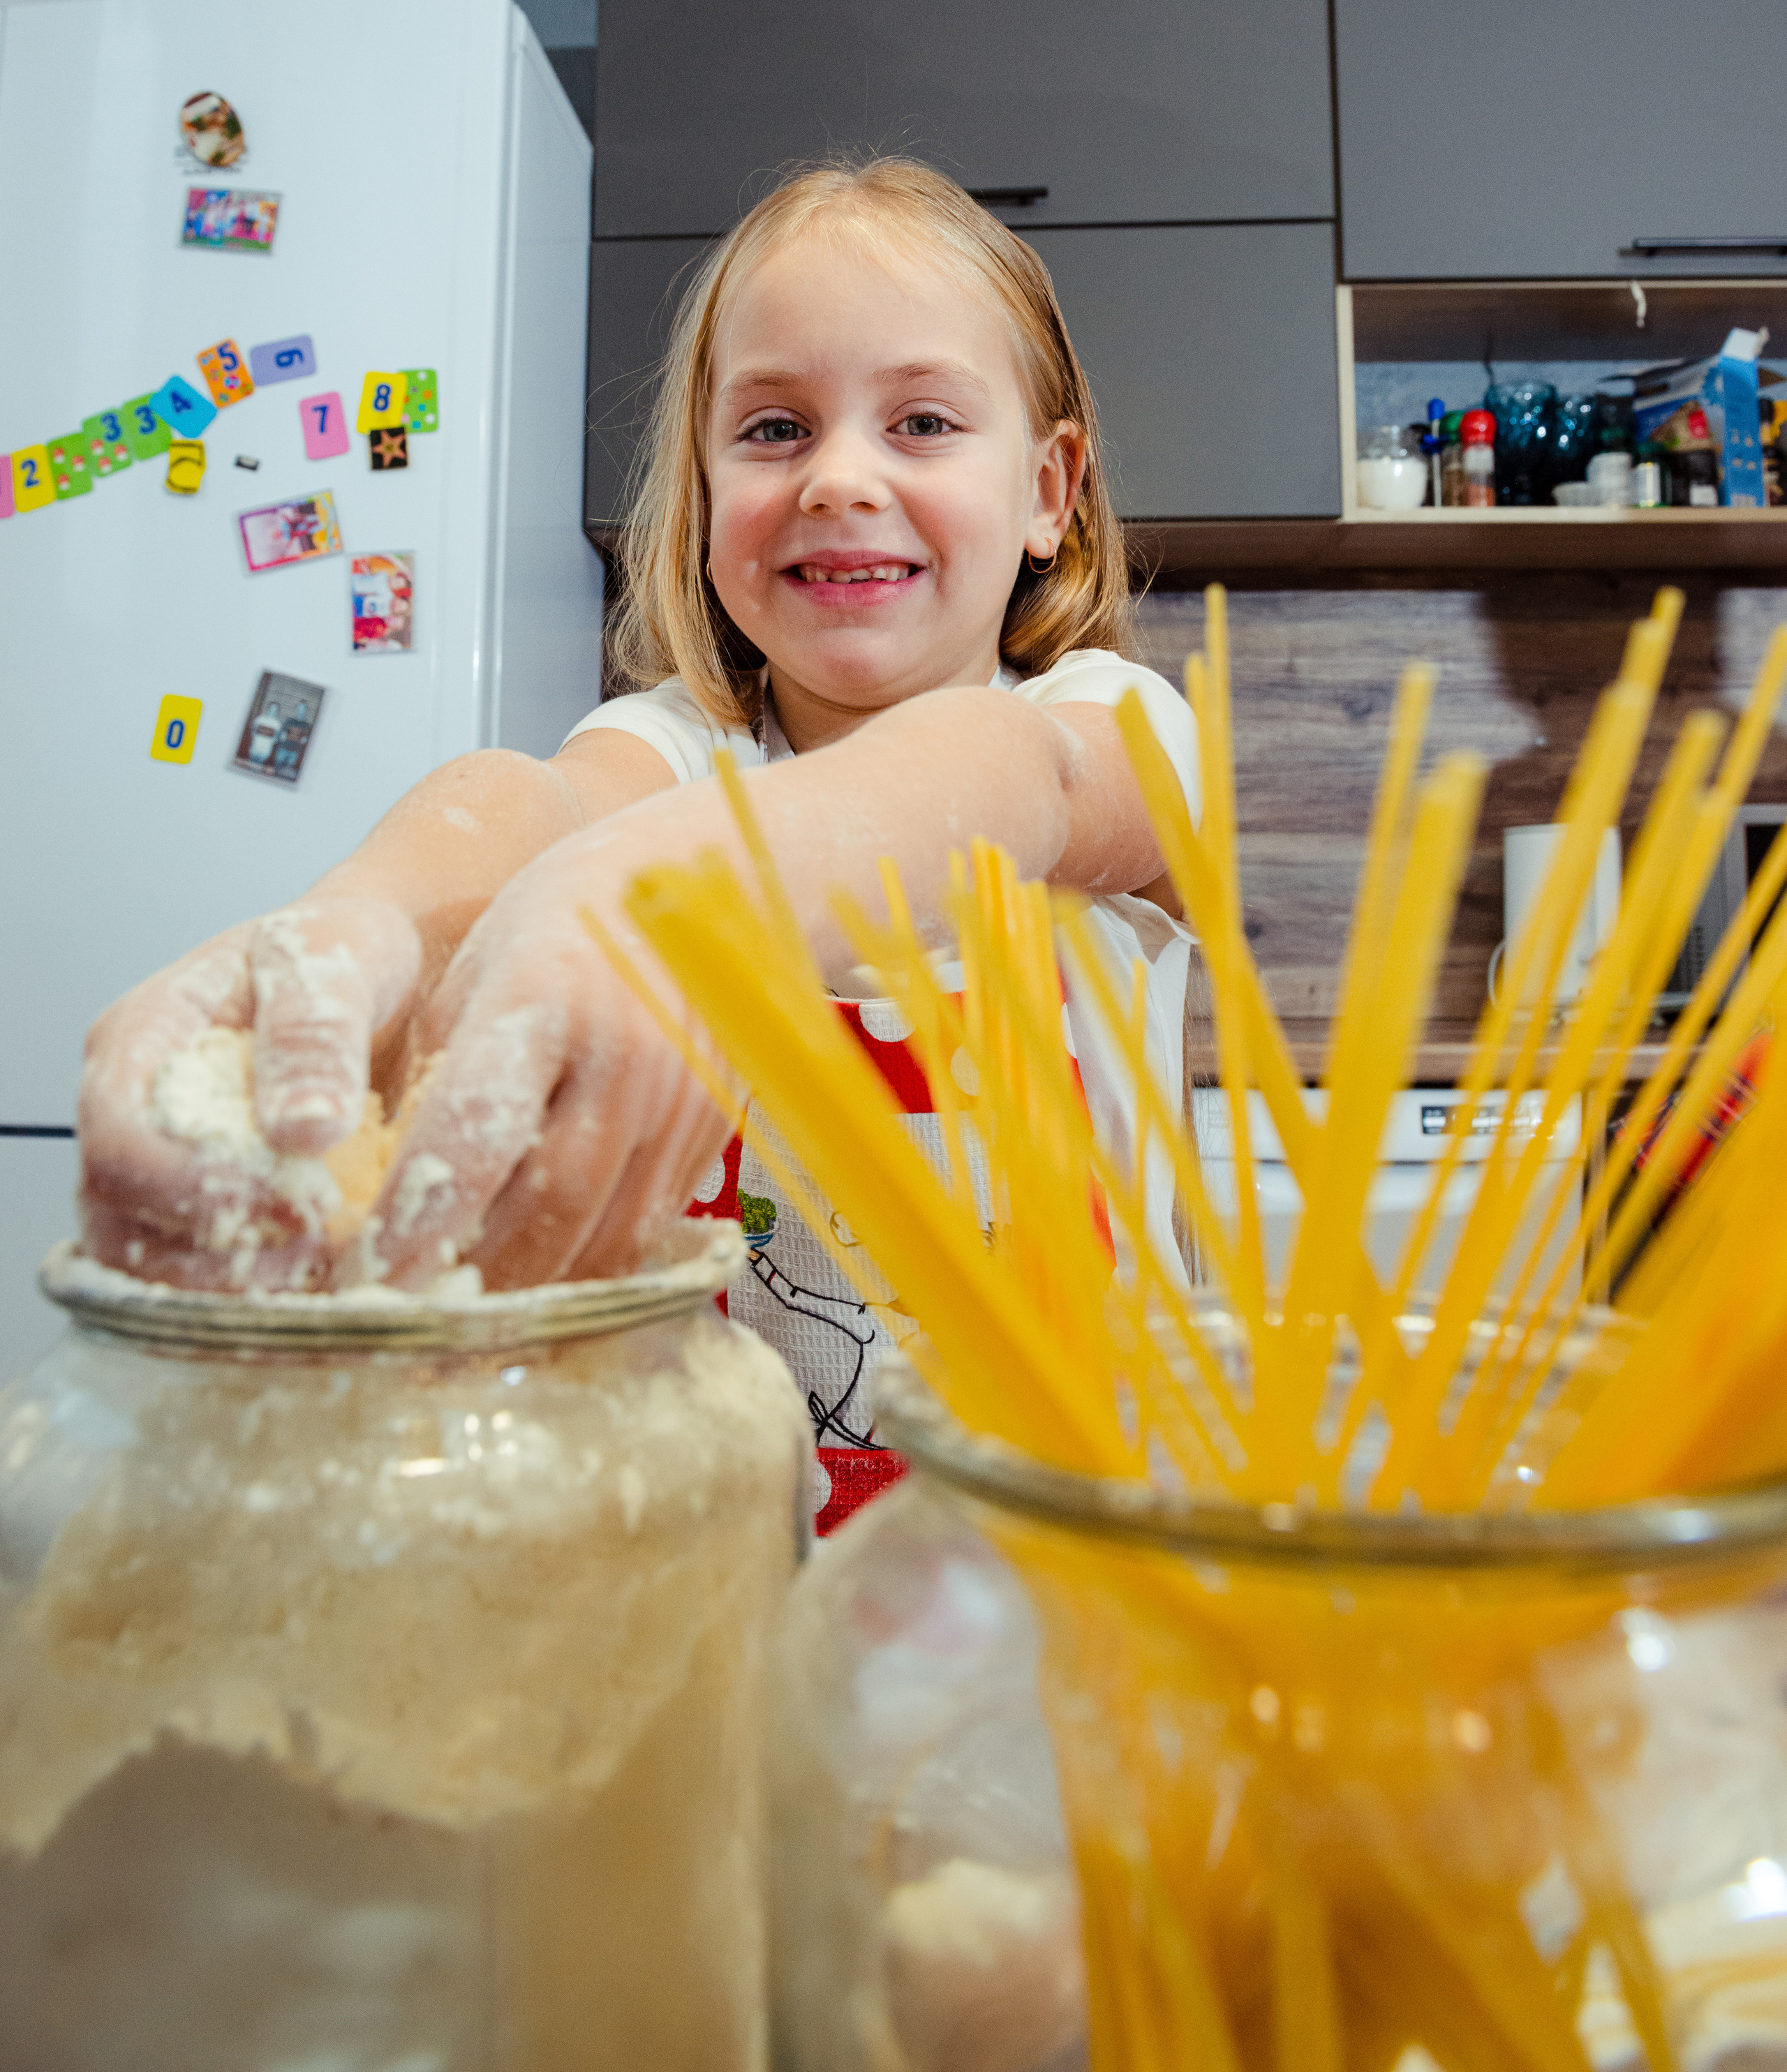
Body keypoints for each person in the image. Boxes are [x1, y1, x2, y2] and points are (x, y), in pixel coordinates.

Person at [78, 157, 1200, 1495]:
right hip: (733, 1574)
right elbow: (533, 804)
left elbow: (1007, 785)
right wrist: (360, 921)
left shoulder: (1112, 730)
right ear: (705, 488)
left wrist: (655, 880)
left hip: (1075, 1587)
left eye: (923, 422)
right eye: (775, 428)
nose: (841, 475)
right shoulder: (684, 756)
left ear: (1048, 490)